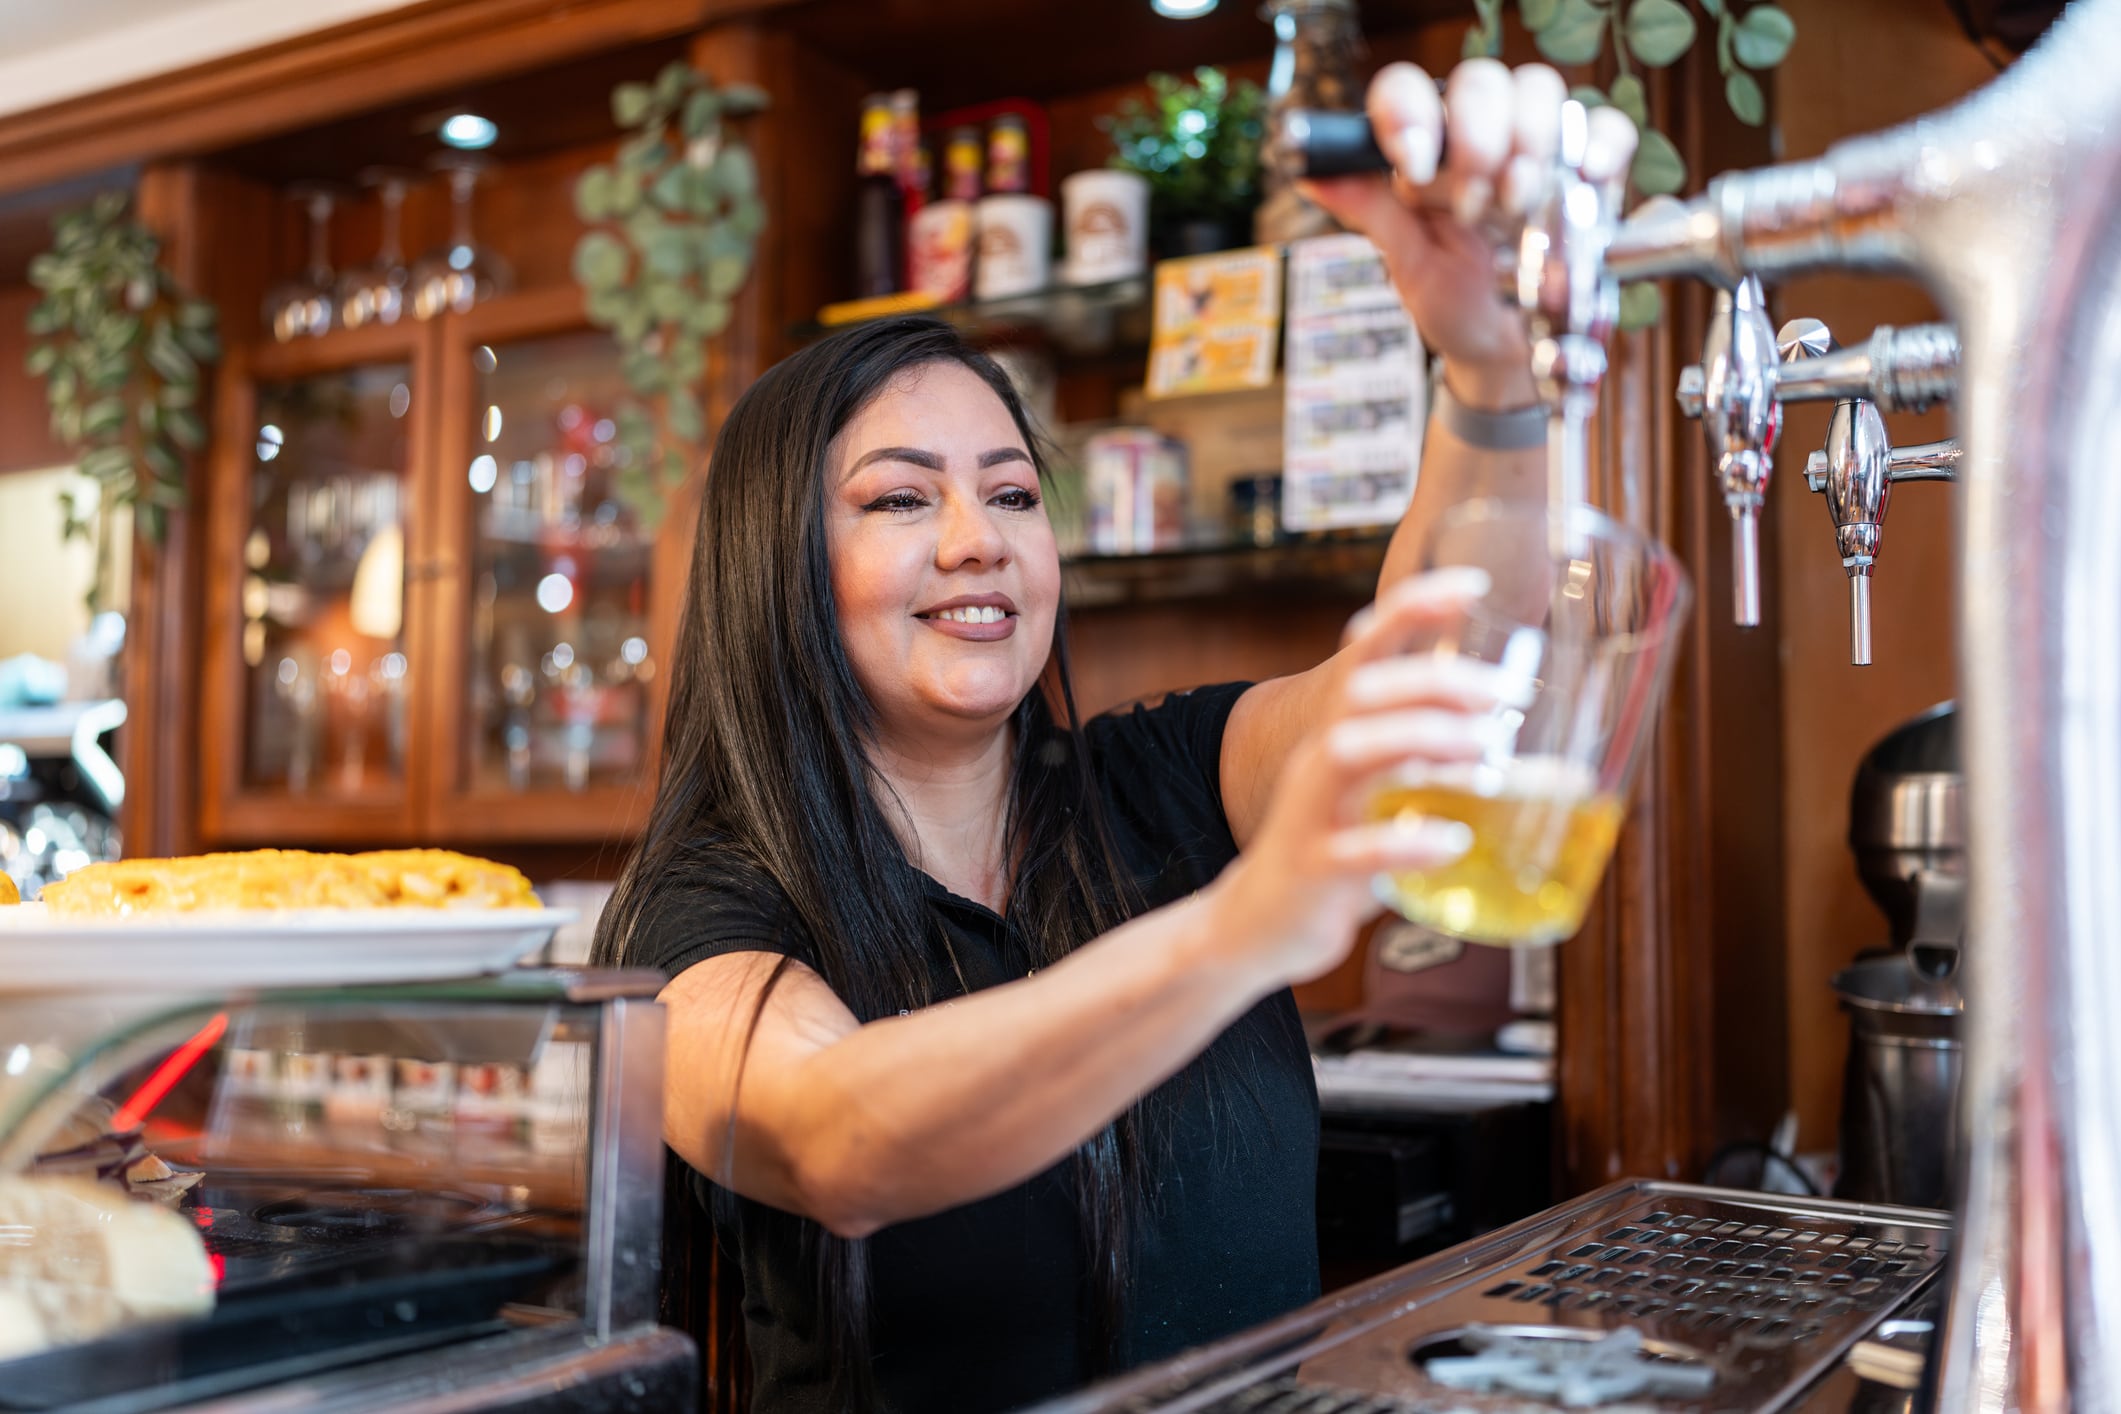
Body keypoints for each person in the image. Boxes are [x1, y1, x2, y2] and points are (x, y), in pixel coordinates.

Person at [591, 57, 1638, 1414]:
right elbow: (839, 1132)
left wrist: (1487, 371)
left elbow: (1431, 669)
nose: (979, 541)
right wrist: (1243, 927)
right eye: (901, 502)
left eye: (1013, 493)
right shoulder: (699, 906)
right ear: (772, 566)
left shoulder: (1159, 783)